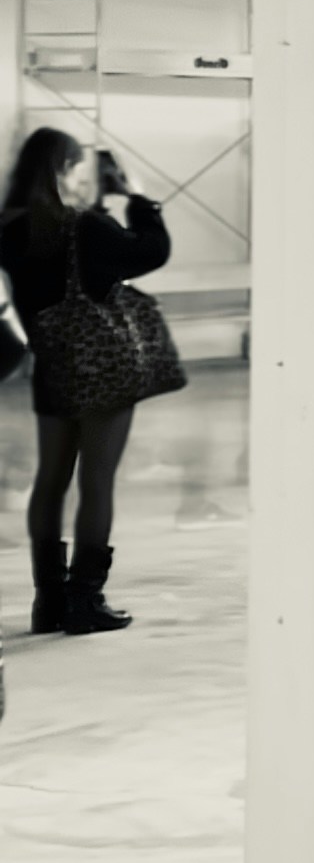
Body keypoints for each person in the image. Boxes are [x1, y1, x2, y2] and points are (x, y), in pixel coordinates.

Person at [3, 127, 174, 637]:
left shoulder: (9, 230)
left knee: (50, 481)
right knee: (96, 482)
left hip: (51, 364)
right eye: (79, 168)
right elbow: (152, 251)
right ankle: (85, 601)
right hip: (104, 369)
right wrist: (137, 197)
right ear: (64, 168)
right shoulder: (85, 227)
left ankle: (48, 602)